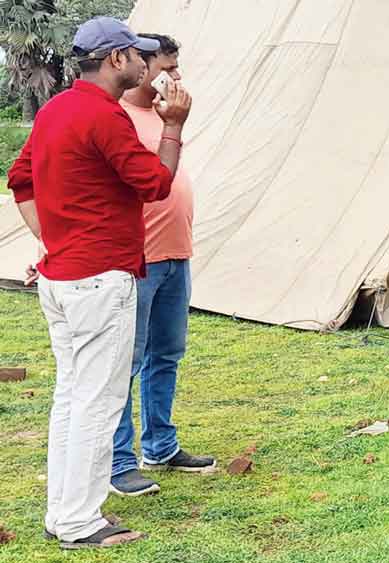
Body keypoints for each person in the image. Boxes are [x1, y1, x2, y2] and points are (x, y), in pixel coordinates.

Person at [7, 17, 192, 549]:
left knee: (73, 398)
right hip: (99, 279)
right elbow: (155, 183)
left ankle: (64, 513)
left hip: (63, 277)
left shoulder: (56, 110)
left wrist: (50, 240)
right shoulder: (103, 116)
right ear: (116, 60)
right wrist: (174, 125)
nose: (143, 63)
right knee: (97, 401)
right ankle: (78, 522)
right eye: (137, 54)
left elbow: (21, 179)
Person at [108, 34, 216, 498]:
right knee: (123, 363)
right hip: (137, 259)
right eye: (167, 67)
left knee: (166, 356)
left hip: (176, 254)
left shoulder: (162, 115)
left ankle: (161, 445)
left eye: (177, 68)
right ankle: (117, 461)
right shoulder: (118, 117)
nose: (176, 77)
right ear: (138, 64)